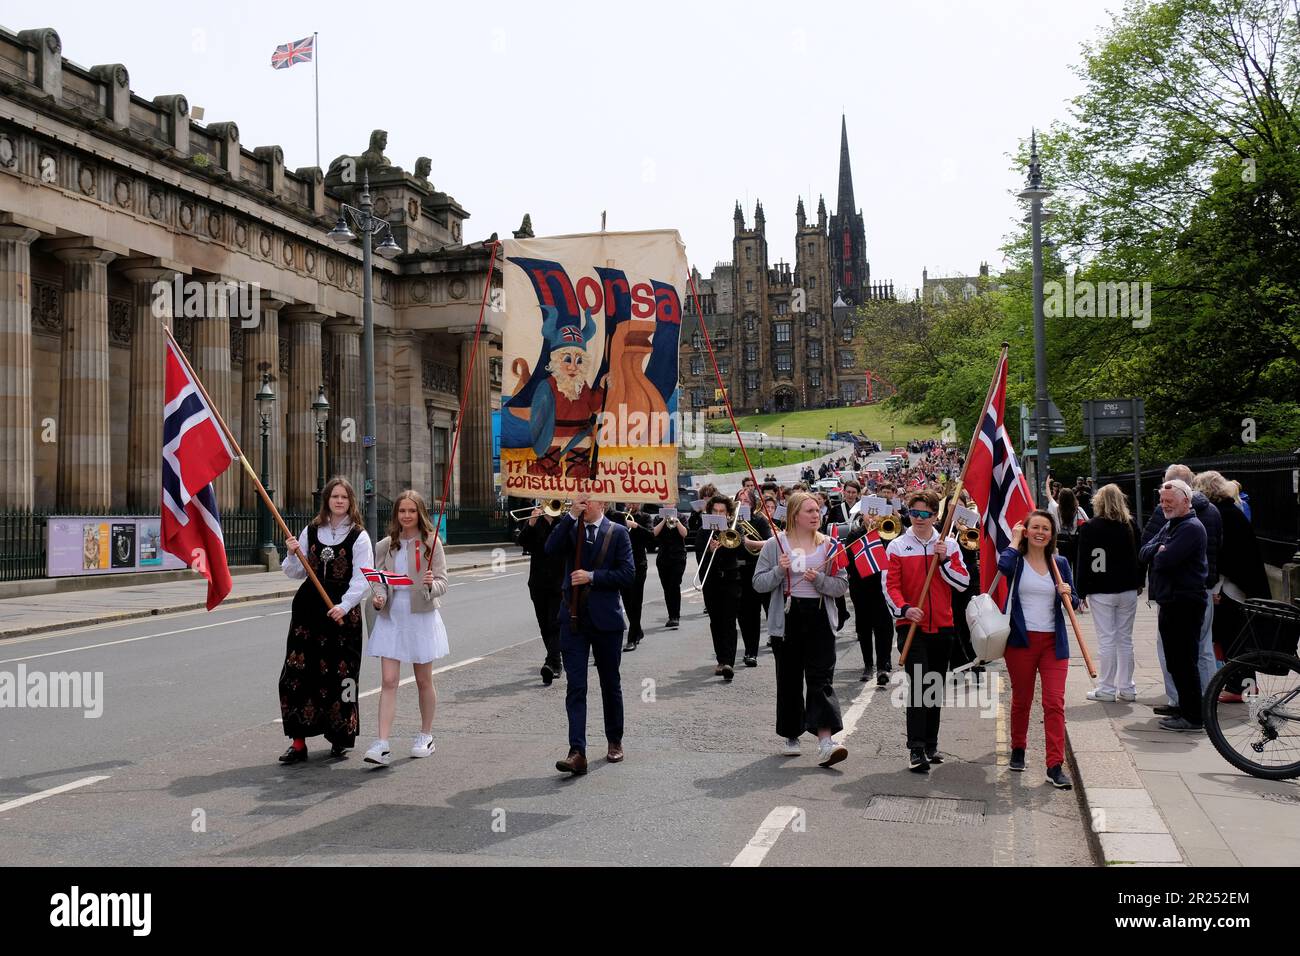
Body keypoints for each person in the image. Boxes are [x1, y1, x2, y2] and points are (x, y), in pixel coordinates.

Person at [277, 476, 373, 763]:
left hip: (342, 615)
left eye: (344, 497)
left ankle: (340, 737)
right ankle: (298, 742)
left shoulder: (359, 535)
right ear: (327, 500)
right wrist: (293, 553)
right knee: (297, 675)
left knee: (341, 677)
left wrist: (344, 606)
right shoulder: (311, 530)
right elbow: (295, 572)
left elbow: (364, 577)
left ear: (351, 501)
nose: (339, 501)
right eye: (334, 496)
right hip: (308, 612)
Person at [751, 491, 850, 767]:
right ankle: (791, 735)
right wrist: (779, 572)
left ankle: (825, 742)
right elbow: (758, 583)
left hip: (819, 617)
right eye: (809, 511)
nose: (816, 515)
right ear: (794, 515)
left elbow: (841, 585)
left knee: (821, 679)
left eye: (817, 510)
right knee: (789, 678)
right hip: (788, 618)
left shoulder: (830, 545)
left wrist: (819, 579)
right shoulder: (775, 545)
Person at [882, 489, 970, 773]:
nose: (918, 519)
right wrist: (906, 609)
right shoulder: (896, 546)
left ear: (935, 516)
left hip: (943, 626)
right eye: (914, 513)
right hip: (912, 627)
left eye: (925, 514)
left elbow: (963, 583)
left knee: (935, 687)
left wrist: (943, 560)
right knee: (919, 686)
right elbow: (889, 586)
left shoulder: (949, 546)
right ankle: (916, 748)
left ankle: (931, 744)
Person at [546, 495, 635, 774]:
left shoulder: (618, 532)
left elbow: (627, 574)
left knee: (610, 683)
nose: (582, 503)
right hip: (573, 619)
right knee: (576, 686)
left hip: (606, 620)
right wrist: (569, 516)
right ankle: (577, 751)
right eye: (578, 499)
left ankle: (614, 741)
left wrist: (593, 576)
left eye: (588, 500)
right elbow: (550, 549)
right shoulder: (571, 527)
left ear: (604, 504)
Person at [363, 490, 450, 766]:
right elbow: (379, 581)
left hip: (421, 617)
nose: (407, 516)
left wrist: (429, 586)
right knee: (388, 681)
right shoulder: (385, 546)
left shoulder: (431, 544)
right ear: (396, 515)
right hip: (392, 618)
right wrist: (378, 597)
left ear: (420, 513)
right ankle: (382, 743)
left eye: (412, 511)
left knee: (424, 680)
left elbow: (442, 583)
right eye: (402, 511)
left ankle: (426, 735)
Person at [999, 511, 1081, 788]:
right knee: (1022, 700)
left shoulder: (1059, 563)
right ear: (1026, 530)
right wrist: (1013, 538)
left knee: (1054, 703)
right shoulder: (1017, 562)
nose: (1040, 532)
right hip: (1021, 642)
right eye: (1035, 527)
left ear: (1051, 533)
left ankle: (1054, 765)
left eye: (1046, 528)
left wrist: (1068, 593)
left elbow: (1075, 601)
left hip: (1053, 645)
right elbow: (1003, 566)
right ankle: (1018, 748)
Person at [1141, 464, 1221, 717]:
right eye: (1162, 501)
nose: (1164, 505)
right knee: (1180, 659)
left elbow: (1164, 560)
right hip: (1175, 597)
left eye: (1169, 501)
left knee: (1186, 660)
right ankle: (1185, 707)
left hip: (1185, 599)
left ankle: (1194, 713)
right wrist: (1159, 550)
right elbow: (1145, 552)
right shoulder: (1172, 524)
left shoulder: (1189, 526)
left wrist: (1160, 552)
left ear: (1185, 501)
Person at [1194, 471, 1270, 702]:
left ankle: (1243, 688)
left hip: (1230, 587)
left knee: (1232, 638)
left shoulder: (1221, 514)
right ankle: (1242, 686)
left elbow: (1222, 556)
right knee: (1234, 636)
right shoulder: (1232, 511)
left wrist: (1216, 588)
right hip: (1240, 584)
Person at [1075, 484, 1143, 703]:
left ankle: (1106, 687)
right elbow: (1140, 556)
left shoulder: (1090, 527)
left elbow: (1083, 561)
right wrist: (1140, 582)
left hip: (1101, 588)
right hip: (1128, 588)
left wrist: (1081, 590)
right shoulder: (1130, 525)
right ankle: (1127, 688)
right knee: (1125, 639)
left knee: (1106, 639)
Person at [516, 501, 565, 685]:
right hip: (537, 582)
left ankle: (551, 663)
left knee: (555, 623)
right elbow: (521, 543)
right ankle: (556, 662)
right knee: (544, 624)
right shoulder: (534, 521)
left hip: (559, 583)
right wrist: (530, 524)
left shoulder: (565, 521)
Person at [697, 495, 743, 680]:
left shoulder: (736, 528)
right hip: (712, 582)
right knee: (716, 622)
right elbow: (699, 558)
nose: (717, 514)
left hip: (731, 580)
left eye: (721, 512)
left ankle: (728, 662)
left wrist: (724, 544)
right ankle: (721, 659)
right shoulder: (703, 531)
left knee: (729, 621)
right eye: (714, 511)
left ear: (729, 513)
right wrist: (709, 550)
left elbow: (739, 551)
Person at [737, 488, 773, 665]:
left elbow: (770, 542)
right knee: (747, 615)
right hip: (740, 572)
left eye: (746, 501)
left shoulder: (759, 520)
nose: (742, 504)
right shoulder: (732, 521)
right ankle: (751, 651)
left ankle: (776, 638)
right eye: (739, 500)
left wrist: (749, 542)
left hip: (760, 569)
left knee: (769, 609)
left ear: (752, 504)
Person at [617, 502, 653, 651]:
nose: (632, 504)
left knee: (636, 601)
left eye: (635, 502)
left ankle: (632, 638)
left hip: (638, 564)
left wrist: (636, 526)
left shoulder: (645, 517)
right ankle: (637, 629)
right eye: (629, 501)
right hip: (622, 565)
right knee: (626, 601)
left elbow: (651, 537)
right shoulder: (619, 517)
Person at [652, 505, 689, 628]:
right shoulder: (658, 518)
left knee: (674, 584)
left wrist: (677, 521)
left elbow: (684, 534)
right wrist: (664, 520)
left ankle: (675, 616)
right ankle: (671, 615)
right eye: (665, 503)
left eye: (670, 503)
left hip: (678, 556)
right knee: (667, 587)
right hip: (663, 556)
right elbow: (654, 533)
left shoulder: (682, 517)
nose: (668, 505)